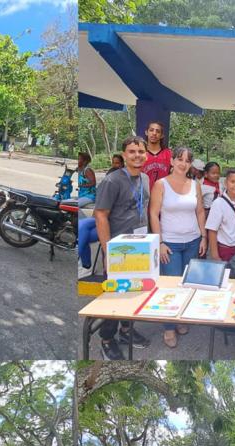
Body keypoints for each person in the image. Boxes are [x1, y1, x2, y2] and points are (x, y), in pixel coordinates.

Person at [93, 136, 151, 360]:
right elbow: (100, 215)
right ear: (124, 155)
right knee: (115, 297)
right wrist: (108, 251)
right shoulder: (112, 181)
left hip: (139, 248)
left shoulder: (144, 178)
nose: (137, 155)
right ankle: (107, 340)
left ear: (146, 154)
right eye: (132, 151)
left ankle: (126, 331)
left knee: (134, 292)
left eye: (141, 151)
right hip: (119, 250)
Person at [149, 146, 206, 347]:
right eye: (179, 159)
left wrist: (204, 237)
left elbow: (199, 211)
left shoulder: (194, 184)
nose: (183, 164)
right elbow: (154, 214)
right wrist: (160, 242)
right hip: (170, 243)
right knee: (170, 286)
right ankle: (169, 327)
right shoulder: (160, 184)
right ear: (172, 161)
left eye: (187, 160)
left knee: (187, 283)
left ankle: (180, 317)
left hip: (192, 241)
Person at [205, 167, 235, 262]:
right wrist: (215, 256)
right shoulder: (218, 203)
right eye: (233, 181)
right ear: (226, 183)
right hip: (227, 250)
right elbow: (212, 231)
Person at [141, 120, 172, 187]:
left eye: (158, 131)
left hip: (164, 195)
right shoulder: (140, 154)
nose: (154, 133)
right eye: (151, 130)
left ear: (162, 135)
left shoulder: (169, 154)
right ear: (146, 132)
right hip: (145, 195)